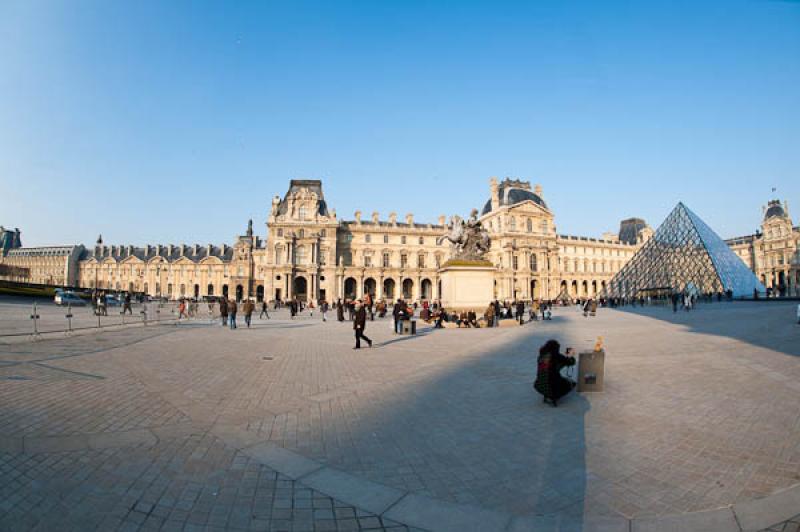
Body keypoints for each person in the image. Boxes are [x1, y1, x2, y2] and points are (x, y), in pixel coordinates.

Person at [533, 340, 576, 407]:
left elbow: (552, 367)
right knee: (571, 384)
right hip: (552, 386)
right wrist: (570, 356)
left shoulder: (541, 356)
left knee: (555, 379)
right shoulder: (556, 356)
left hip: (539, 385)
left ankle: (548, 394)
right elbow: (571, 362)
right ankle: (554, 395)